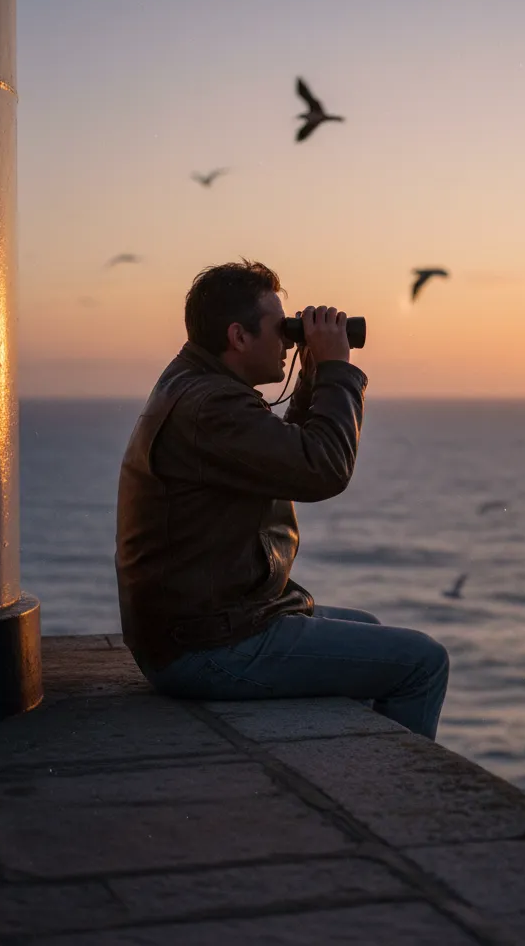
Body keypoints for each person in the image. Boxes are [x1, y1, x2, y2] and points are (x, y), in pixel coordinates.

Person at [114, 259, 449, 739]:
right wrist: (336, 370)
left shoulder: (196, 387)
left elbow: (277, 458)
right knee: (423, 662)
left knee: (370, 630)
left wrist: (311, 379)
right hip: (208, 648)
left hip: (199, 629)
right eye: (281, 329)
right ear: (238, 336)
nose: (290, 342)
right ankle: (391, 785)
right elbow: (322, 470)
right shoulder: (212, 406)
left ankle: (347, 760)